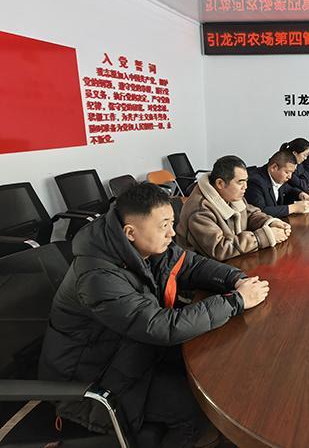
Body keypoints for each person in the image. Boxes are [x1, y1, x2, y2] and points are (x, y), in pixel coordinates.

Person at [38, 183, 270, 447]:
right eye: (164, 226)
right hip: (93, 381)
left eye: (172, 223)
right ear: (130, 232)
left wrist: (237, 280)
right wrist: (236, 301)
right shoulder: (97, 278)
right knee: (196, 411)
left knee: (222, 366)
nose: (172, 233)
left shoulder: (143, 247)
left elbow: (191, 265)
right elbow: (159, 326)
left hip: (129, 353)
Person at [176, 155, 290, 261]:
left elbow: (250, 214)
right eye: (240, 182)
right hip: (202, 269)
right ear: (220, 183)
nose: (245, 187)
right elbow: (220, 249)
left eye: (246, 181)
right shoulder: (199, 210)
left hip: (233, 261)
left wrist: (271, 223)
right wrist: (265, 236)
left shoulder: (231, 195)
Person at [246, 149, 309, 217]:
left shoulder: (277, 178)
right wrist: (293, 208)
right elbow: (259, 212)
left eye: (292, 173)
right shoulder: (255, 182)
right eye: (287, 172)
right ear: (274, 167)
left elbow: (288, 189)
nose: (290, 177)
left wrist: (301, 194)